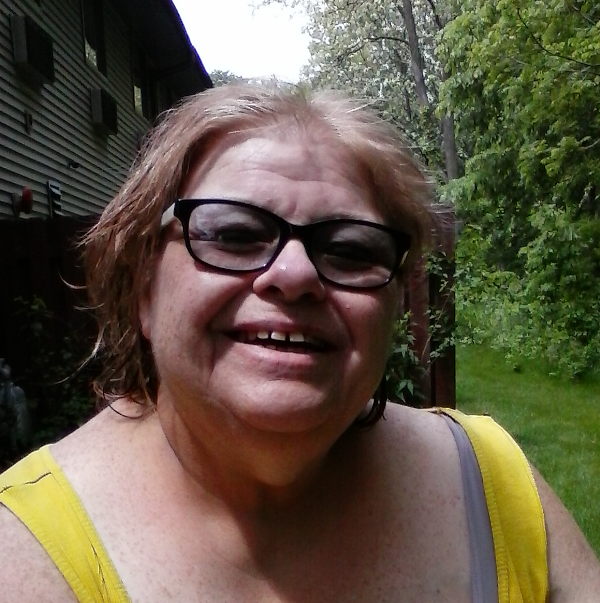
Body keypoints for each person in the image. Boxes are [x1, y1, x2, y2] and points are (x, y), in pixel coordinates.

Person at [1, 84, 599, 603]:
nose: (294, 274)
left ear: (394, 303)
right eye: (234, 234)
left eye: (351, 248)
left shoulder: (493, 491)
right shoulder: (24, 556)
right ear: (143, 288)